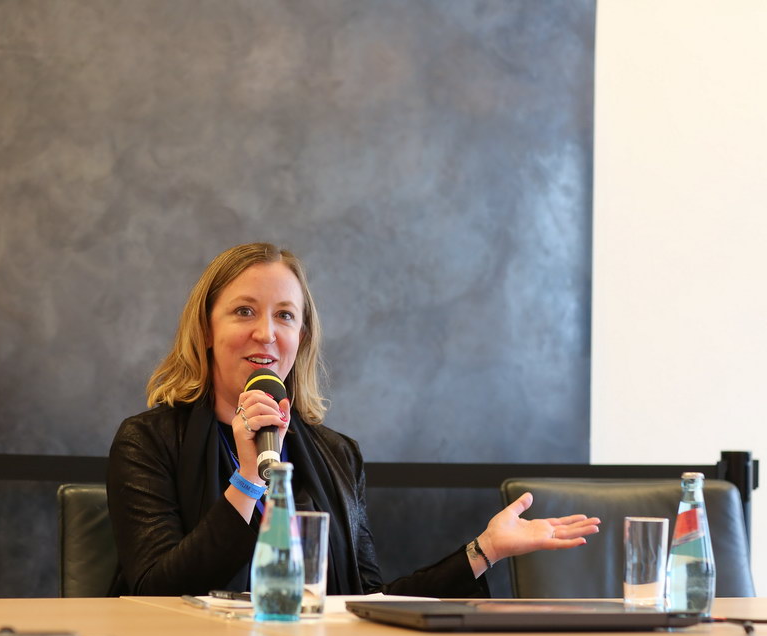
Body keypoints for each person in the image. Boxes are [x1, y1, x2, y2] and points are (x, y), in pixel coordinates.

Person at [107, 242, 600, 596]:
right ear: (205, 330)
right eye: (244, 311)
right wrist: (248, 479)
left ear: (301, 337)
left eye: (285, 315)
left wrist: (484, 550)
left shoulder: (337, 454)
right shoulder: (147, 442)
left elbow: (365, 603)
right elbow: (153, 589)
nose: (266, 333)